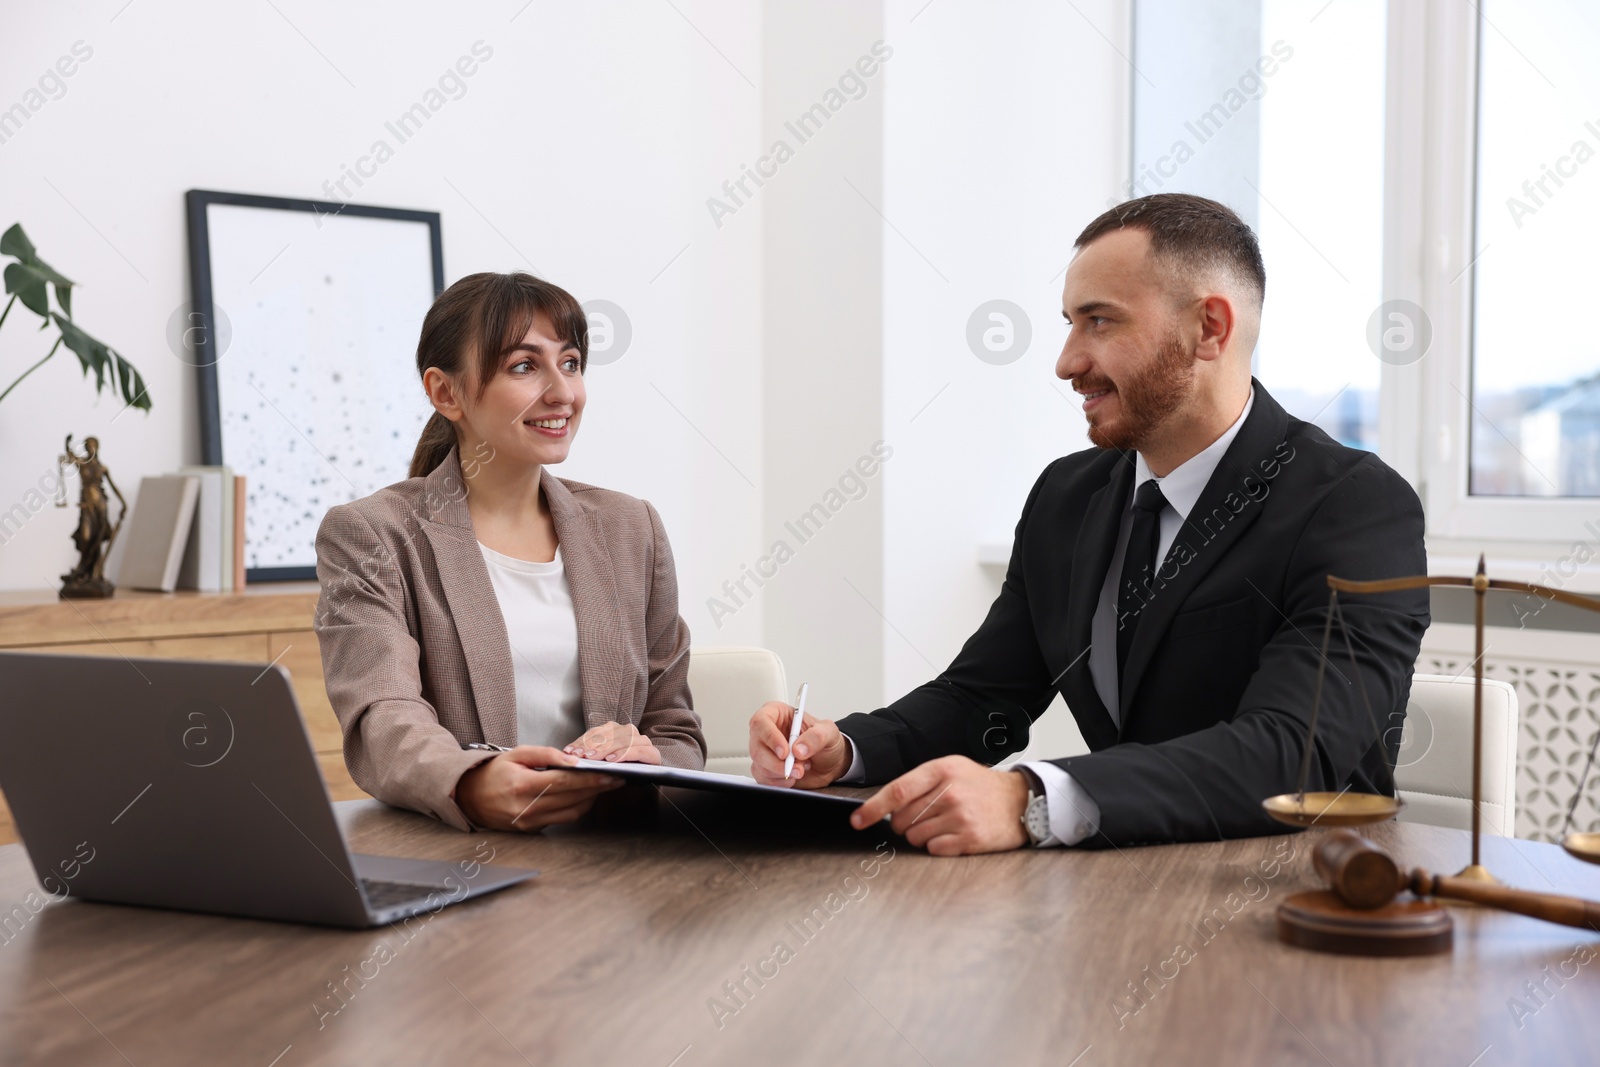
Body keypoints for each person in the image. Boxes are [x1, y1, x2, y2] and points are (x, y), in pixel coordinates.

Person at [748, 193, 1429, 855]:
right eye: (1070, 322)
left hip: (1288, 901)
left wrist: (1031, 799)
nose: (1067, 361)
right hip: (1116, 890)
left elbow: (1296, 753)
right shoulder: (1066, 496)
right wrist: (849, 746)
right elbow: (987, 696)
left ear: (1209, 329)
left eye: (1099, 322)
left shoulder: (1355, 504)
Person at [314, 272, 705, 834]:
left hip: (617, 860)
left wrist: (651, 761)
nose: (562, 393)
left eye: (569, 363)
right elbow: (381, 714)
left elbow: (677, 731)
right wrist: (470, 781)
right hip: (461, 853)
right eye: (525, 367)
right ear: (446, 392)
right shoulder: (373, 534)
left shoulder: (630, 528)